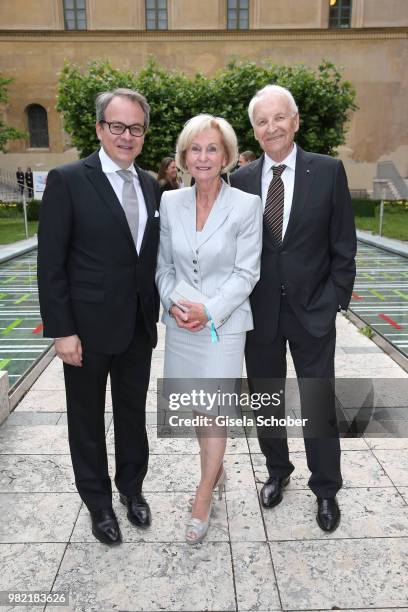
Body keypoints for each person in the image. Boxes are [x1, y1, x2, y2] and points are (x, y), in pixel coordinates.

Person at [230, 84, 356, 532]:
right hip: (259, 313)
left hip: (313, 311)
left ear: (295, 121)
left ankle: (326, 489)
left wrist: (335, 299)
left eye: (279, 118)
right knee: (267, 400)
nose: (271, 127)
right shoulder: (241, 180)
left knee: (318, 401)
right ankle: (278, 471)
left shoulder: (327, 171)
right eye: (262, 121)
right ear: (255, 130)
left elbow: (344, 243)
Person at [37, 88, 161, 546]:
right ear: (99, 129)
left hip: (137, 328)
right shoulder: (69, 179)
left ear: (144, 134)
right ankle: (98, 503)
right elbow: (50, 263)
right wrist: (62, 330)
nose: (126, 136)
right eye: (117, 126)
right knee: (85, 419)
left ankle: (132, 489)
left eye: (135, 128)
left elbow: (145, 258)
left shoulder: (150, 184)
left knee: (132, 414)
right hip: (85, 331)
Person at [156, 114, 262, 544]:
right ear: (184, 156)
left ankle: (203, 495)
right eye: (195, 149)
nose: (203, 157)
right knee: (199, 408)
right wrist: (174, 304)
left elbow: (246, 272)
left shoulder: (246, 206)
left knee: (214, 408)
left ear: (227, 157)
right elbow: (162, 266)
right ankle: (213, 472)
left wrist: (209, 311)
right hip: (181, 325)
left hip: (224, 324)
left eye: (212, 149)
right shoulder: (170, 203)